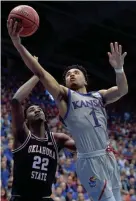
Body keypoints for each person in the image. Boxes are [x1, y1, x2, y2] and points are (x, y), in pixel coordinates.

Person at [7, 19, 128, 201]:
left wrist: (119, 69)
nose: (71, 74)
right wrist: (18, 44)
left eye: (75, 72)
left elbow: (122, 90)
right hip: (89, 161)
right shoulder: (65, 97)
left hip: (108, 156)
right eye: (68, 74)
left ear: (85, 81)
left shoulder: (99, 96)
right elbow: (40, 73)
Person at [9, 68, 76, 201]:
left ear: (45, 118)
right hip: (21, 198)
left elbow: (83, 146)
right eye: (32, 110)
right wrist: (37, 74)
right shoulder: (23, 136)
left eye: (39, 109)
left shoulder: (58, 139)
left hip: (44, 198)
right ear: (26, 120)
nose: (37, 110)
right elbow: (16, 101)